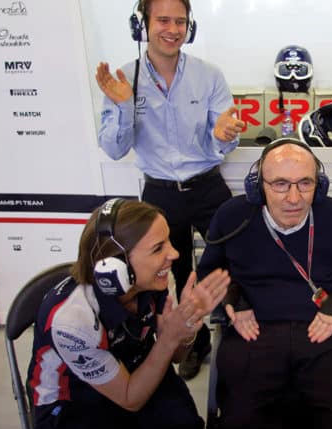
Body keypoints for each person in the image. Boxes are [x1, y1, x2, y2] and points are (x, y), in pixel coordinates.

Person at [197, 138, 332, 429]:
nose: (294, 197)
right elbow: (207, 273)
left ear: (318, 184)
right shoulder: (233, 216)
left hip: (322, 331)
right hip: (255, 332)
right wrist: (232, 295)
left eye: (305, 183)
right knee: (238, 427)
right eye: (281, 184)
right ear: (258, 186)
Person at [95, 0, 244, 379]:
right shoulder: (123, 79)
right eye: (163, 20)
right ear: (141, 24)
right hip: (159, 195)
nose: (173, 29)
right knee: (172, 277)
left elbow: (224, 137)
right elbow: (114, 149)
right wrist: (124, 106)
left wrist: (224, 134)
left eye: (180, 21)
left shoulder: (209, 75)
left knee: (231, 264)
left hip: (208, 187)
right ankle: (192, 343)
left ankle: (236, 335)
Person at [27, 198, 230, 429]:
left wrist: (186, 326)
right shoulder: (73, 319)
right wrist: (168, 339)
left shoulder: (158, 280)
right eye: (158, 248)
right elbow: (129, 398)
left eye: (168, 241)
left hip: (136, 368)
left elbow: (176, 357)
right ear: (116, 265)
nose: (174, 254)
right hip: (75, 405)